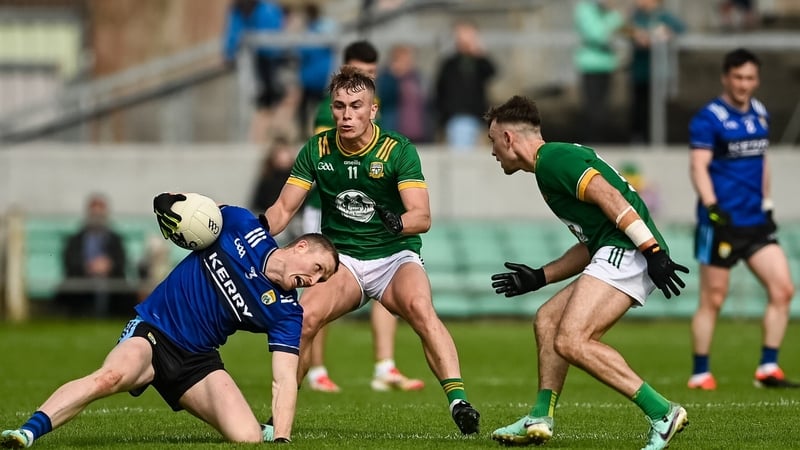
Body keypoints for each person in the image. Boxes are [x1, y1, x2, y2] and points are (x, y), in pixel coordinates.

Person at [0, 193, 339, 449]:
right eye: (318, 269)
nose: (314, 281)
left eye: (321, 280)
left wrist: (281, 438)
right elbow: (184, 210)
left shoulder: (286, 311)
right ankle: (27, 432)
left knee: (248, 437)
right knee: (110, 377)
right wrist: (171, 209)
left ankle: (261, 427)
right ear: (301, 247)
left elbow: (283, 379)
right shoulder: (240, 224)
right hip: (154, 330)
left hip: (196, 360)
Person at [264, 66, 480, 434]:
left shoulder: (398, 150)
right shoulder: (317, 149)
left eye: (356, 106)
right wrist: (251, 238)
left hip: (394, 256)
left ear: (373, 110)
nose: (347, 115)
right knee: (304, 319)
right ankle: (277, 419)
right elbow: (283, 210)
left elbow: (422, 216)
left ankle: (459, 402)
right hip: (342, 261)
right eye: (339, 107)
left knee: (420, 309)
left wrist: (397, 222)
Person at [483, 95, 690, 449]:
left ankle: (662, 413)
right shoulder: (549, 167)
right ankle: (540, 416)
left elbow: (610, 196)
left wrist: (652, 250)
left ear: (508, 138)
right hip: (619, 248)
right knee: (548, 321)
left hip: (627, 250)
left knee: (572, 340)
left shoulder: (554, 160)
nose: (492, 152)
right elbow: (590, 242)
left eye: (492, 142)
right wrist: (539, 276)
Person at [304, 39, 424, 394]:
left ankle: (384, 365)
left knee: (387, 281)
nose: (365, 80)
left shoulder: (373, 107)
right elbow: (334, 168)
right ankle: (316, 368)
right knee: (318, 293)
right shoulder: (331, 114)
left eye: (371, 74)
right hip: (325, 213)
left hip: (367, 213)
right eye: (358, 72)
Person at [687, 48, 797, 391]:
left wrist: (766, 201)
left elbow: (762, 163)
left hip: (756, 221)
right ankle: (700, 373)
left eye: (749, 78)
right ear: (725, 78)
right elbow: (698, 166)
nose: (743, 84)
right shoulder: (709, 118)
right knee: (714, 299)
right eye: (737, 77)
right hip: (720, 221)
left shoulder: (761, 114)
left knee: (783, 290)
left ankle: (768, 368)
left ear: (757, 80)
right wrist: (712, 205)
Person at [223, 0, 297, 144]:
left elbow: (234, 31)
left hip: (268, 58)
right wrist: (230, 53)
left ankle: (264, 137)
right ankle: (263, 138)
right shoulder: (259, 8)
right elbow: (235, 31)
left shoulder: (258, 7)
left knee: (272, 102)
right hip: (266, 59)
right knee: (270, 102)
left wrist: (229, 53)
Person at [54, 193, 137, 318]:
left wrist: (108, 266)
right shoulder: (76, 239)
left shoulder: (115, 239)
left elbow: (121, 262)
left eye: (100, 214)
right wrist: (88, 267)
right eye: (94, 214)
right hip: (83, 278)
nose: (97, 218)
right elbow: (69, 262)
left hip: (110, 279)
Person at [434, 20, 496, 151]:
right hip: (457, 116)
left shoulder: (478, 62)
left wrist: (480, 53)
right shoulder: (450, 63)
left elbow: (492, 72)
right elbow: (440, 90)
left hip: (477, 115)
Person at [628, 0, 685, 143]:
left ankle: (656, 140)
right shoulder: (637, 17)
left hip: (658, 72)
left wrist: (666, 32)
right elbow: (626, 30)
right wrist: (637, 35)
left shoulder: (663, 16)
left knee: (657, 109)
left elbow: (681, 29)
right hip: (641, 71)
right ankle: (639, 139)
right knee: (639, 107)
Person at [573, 0, 624, 143]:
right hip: (590, 66)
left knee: (604, 106)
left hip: (607, 65)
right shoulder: (585, 9)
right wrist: (613, 20)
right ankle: (592, 140)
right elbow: (597, 36)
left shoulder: (610, 12)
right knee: (592, 107)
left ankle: (601, 139)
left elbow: (622, 26)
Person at [377, 44, 430, 143]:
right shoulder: (387, 78)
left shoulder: (416, 77)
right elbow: (385, 98)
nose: (408, 63)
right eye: (404, 60)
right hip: (395, 130)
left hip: (417, 132)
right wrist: (395, 77)